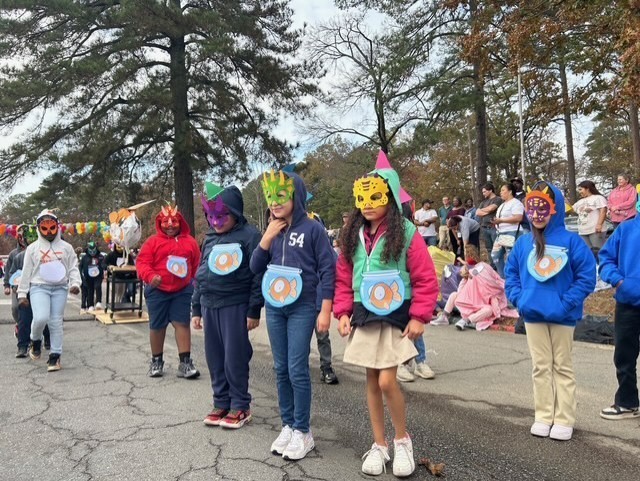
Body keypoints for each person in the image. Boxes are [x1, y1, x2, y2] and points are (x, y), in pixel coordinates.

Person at [334, 169, 438, 477]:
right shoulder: (351, 233)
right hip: (363, 314)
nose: (367, 204)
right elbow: (343, 277)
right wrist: (342, 312)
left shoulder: (405, 231)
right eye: (361, 197)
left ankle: (402, 440)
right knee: (370, 381)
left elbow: (424, 275)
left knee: (386, 381)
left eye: (375, 196)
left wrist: (420, 315)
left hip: (394, 314)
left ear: (390, 197)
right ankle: (379, 445)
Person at [250, 170, 335, 461]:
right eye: (270, 197)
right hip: (275, 306)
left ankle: (303, 431)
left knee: (297, 369)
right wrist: (266, 237)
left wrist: (325, 309)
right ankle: (287, 425)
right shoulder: (271, 230)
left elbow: (327, 270)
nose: (274, 202)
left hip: (303, 306)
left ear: (296, 196)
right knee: (280, 368)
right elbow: (254, 266)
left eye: (280, 196)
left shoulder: (313, 229)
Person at [505, 181, 596, 441]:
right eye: (532, 208)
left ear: (554, 208)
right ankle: (544, 415)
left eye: (543, 207)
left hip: (563, 316)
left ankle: (564, 418)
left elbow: (587, 276)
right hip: (532, 314)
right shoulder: (523, 244)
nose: (537, 214)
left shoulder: (572, 241)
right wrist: (519, 299)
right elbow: (511, 274)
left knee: (563, 367)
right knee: (540, 366)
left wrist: (567, 303)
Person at [191, 183, 264, 429]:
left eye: (222, 216)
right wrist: (196, 309)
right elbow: (202, 273)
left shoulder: (250, 236)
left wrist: (254, 309)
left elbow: (258, 275)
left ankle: (240, 404)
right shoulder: (209, 238)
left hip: (235, 304)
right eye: (211, 216)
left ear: (236, 213)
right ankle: (221, 401)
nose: (216, 221)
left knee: (235, 356)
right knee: (215, 356)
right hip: (209, 304)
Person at [136, 205, 201, 379]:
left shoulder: (190, 242)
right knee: (157, 326)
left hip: (182, 290)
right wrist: (150, 277)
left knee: (182, 324)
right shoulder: (152, 242)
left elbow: (196, 265)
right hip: (157, 290)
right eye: (166, 222)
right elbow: (142, 263)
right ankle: (156, 361)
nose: (170, 225)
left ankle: (185, 363)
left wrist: (194, 282)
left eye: (174, 221)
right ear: (160, 223)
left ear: (181, 223)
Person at [17, 210, 82, 372]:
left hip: (60, 288)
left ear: (57, 227)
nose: (49, 232)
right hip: (39, 287)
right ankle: (35, 340)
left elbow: (73, 267)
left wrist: (76, 283)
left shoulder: (66, 248)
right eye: (44, 229)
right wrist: (22, 294)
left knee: (55, 322)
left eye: (52, 228)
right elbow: (26, 272)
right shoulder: (32, 249)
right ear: (39, 228)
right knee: (40, 318)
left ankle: (55, 355)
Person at [598, 185, 640, 420]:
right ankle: (627, 403)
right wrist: (618, 281)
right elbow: (605, 258)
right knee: (624, 355)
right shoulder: (626, 228)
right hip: (628, 301)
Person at [435, 245, 518, 331]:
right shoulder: (470, 272)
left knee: (489, 309)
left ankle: (466, 320)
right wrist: (465, 278)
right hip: (470, 301)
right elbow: (461, 290)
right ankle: (444, 316)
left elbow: (494, 281)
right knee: (454, 295)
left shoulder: (479, 268)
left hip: (482, 302)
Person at [8, 225, 50, 358]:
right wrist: (14, 286)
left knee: (45, 317)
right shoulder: (18, 257)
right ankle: (22, 346)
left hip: (42, 290)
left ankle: (48, 340)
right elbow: (12, 274)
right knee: (24, 319)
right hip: (25, 292)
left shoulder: (46, 254)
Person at [491, 183, 524, 278]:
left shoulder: (516, 203)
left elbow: (518, 218)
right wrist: (496, 221)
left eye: (503, 190)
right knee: (495, 256)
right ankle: (503, 277)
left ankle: (513, 278)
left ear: (510, 192)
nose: (500, 192)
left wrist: (501, 220)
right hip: (500, 233)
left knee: (511, 257)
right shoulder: (502, 205)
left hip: (512, 232)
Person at [572, 180, 608, 259]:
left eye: (581, 189)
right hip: (583, 231)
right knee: (588, 253)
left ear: (587, 188)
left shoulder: (598, 198)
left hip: (595, 230)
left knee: (598, 251)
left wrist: (599, 224)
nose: (579, 192)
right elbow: (571, 209)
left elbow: (603, 211)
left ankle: (603, 269)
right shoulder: (580, 201)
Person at [4, 224, 29, 333]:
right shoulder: (13, 254)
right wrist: (7, 285)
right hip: (17, 286)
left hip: (33, 286)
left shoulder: (36, 252)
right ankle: (19, 323)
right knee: (15, 308)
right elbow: (9, 271)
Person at [475, 183, 503, 268]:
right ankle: (493, 267)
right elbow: (477, 212)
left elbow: (492, 208)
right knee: (489, 249)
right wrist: (487, 211)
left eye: (484, 192)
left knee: (497, 249)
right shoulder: (484, 202)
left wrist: (484, 211)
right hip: (484, 227)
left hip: (493, 227)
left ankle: (499, 267)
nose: (483, 194)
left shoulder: (498, 199)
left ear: (490, 190)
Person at [79, 241, 105, 313]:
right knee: (90, 290)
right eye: (91, 250)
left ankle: (98, 302)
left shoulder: (100, 256)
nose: (93, 252)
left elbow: (103, 264)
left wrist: (104, 268)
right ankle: (90, 305)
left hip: (98, 276)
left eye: (94, 250)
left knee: (98, 286)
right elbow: (80, 266)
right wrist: (81, 275)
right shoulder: (85, 258)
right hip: (88, 277)